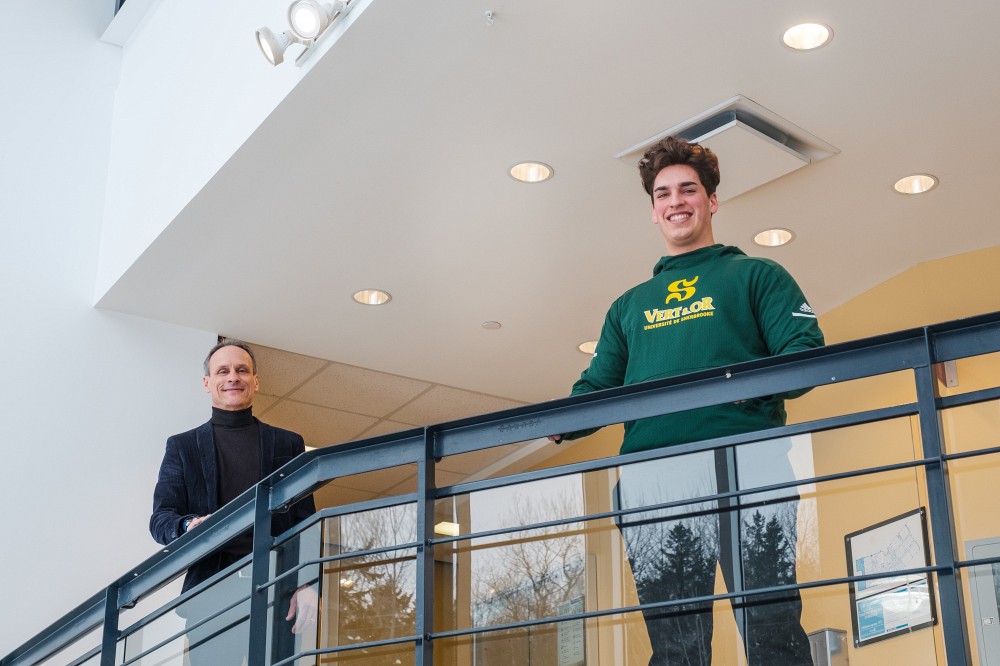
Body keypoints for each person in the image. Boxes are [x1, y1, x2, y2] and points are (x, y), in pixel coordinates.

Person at [551, 136, 824, 665]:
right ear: (653, 211)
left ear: (712, 201)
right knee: (676, 647)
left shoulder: (756, 276)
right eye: (662, 194)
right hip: (655, 483)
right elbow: (599, 386)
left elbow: (804, 355)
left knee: (771, 630)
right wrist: (559, 420)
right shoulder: (629, 307)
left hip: (749, 468)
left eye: (688, 190)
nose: (675, 201)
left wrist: (733, 392)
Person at [150, 338, 317, 665]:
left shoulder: (288, 443)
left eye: (242, 370)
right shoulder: (182, 447)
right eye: (222, 371)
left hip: (277, 592)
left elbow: (305, 521)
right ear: (207, 383)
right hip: (212, 596)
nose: (233, 377)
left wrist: (309, 582)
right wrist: (187, 525)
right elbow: (161, 518)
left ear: (255, 381)